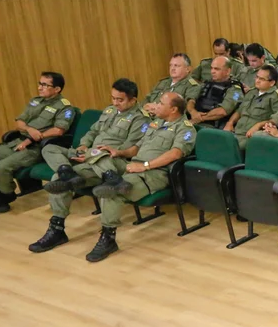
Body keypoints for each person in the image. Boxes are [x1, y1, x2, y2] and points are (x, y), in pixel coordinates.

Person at [29, 78, 149, 251]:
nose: (115, 103)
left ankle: (103, 233)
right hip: (90, 155)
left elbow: (130, 148)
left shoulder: (140, 119)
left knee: (82, 165)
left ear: (133, 100)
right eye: (113, 98)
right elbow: (92, 131)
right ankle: (58, 226)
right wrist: (83, 146)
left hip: (112, 160)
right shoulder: (109, 110)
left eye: (120, 100)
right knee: (50, 151)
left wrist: (91, 154)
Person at [81, 92, 196, 262]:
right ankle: (112, 176)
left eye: (161, 103)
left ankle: (108, 238)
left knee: (111, 192)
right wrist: (118, 152)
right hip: (132, 165)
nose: (156, 104)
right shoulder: (156, 123)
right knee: (96, 152)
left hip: (153, 173)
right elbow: (136, 149)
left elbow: (175, 154)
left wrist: (144, 166)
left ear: (173, 109)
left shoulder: (185, 128)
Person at [224, 64, 278, 150]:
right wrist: (230, 123)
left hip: (252, 136)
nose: (257, 81)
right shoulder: (251, 92)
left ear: (272, 83)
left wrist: (259, 125)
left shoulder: (276, 97)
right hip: (236, 131)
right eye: (257, 77)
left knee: (229, 148)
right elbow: (240, 110)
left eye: (261, 79)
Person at [186, 56, 244, 128]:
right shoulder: (207, 82)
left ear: (228, 71)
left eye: (217, 69)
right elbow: (191, 99)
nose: (212, 71)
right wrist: (193, 112)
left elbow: (223, 111)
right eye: (212, 68)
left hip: (213, 126)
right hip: (195, 120)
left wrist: (200, 118)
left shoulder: (235, 90)